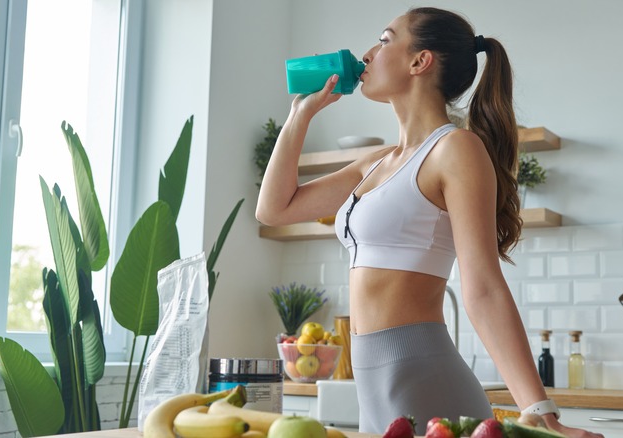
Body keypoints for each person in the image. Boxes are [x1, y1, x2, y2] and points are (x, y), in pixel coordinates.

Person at [256, 6, 604, 438]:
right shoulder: (375, 163)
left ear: (420, 61)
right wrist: (299, 116)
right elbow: (274, 210)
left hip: (424, 379)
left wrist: (541, 411)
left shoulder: (455, 150)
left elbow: (483, 289)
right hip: (373, 386)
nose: (366, 54)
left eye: (383, 40)